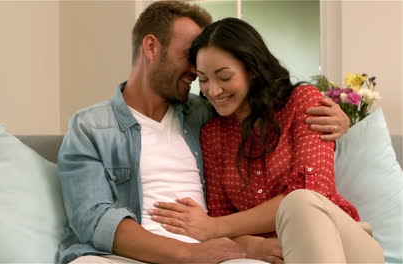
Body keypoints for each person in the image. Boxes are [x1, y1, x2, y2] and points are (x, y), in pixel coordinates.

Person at [58, 2, 351, 264]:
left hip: (217, 252)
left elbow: (262, 104)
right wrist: (189, 254)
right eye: (190, 57)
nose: (200, 76)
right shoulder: (91, 127)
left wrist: (343, 120)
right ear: (151, 47)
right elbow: (93, 218)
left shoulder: (205, 114)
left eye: (215, 73)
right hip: (131, 257)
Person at [148, 18, 384, 263]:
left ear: (252, 70)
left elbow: (313, 191)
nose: (214, 90)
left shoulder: (302, 102)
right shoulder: (213, 134)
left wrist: (213, 227)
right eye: (204, 79)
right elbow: (222, 214)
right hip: (284, 252)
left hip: (344, 243)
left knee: (300, 201)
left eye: (225, 77)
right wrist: (250, 244)